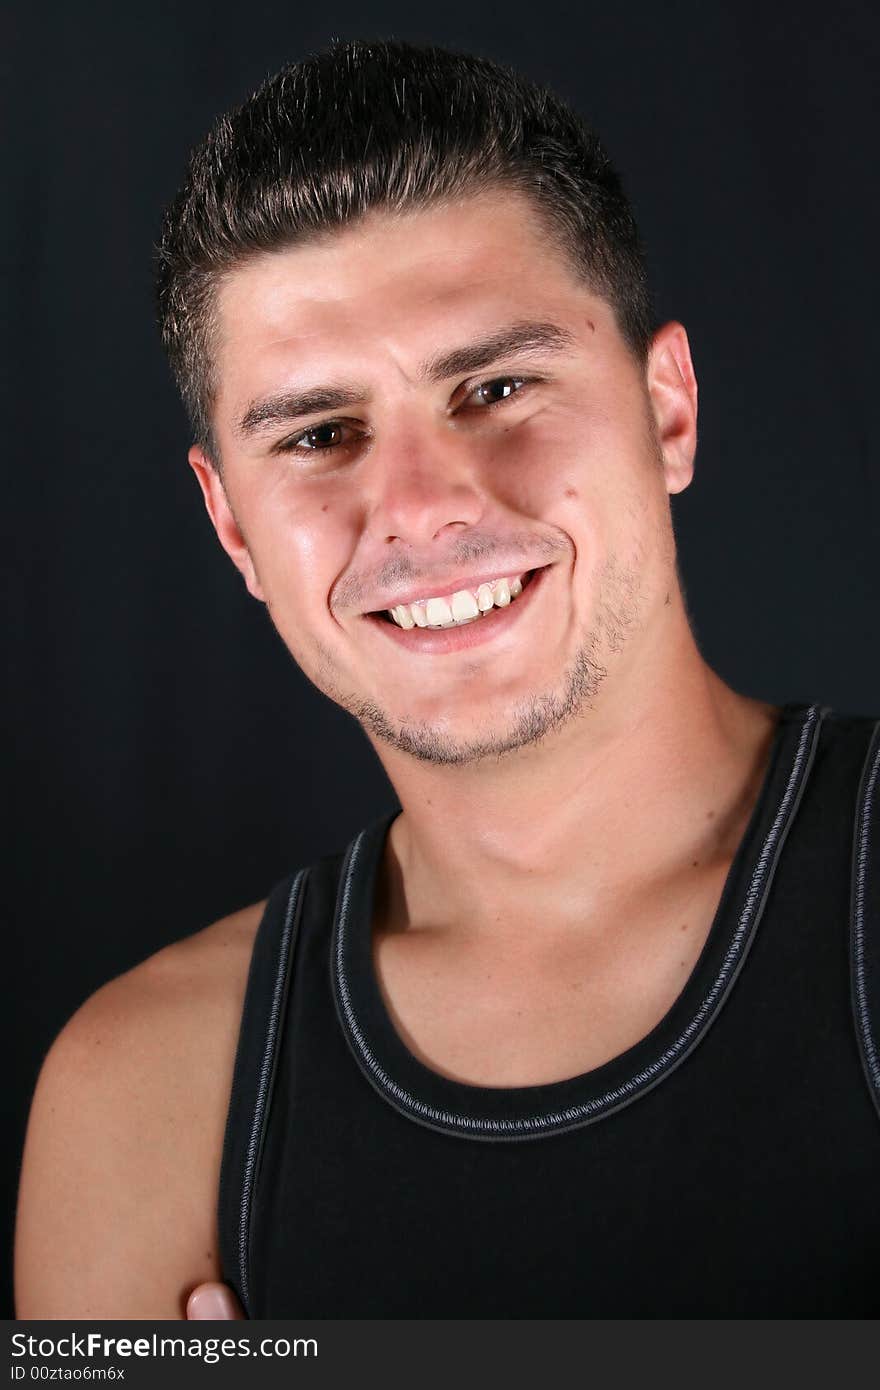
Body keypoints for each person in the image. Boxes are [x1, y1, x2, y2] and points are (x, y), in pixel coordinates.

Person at [14, 37, 880, 1321]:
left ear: (669, 411)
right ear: (234, 530)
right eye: (319, 433)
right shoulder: (144, 1097)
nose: (421, 507)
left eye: (495, 385)